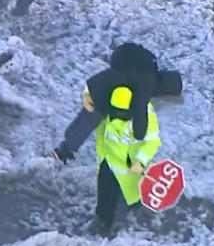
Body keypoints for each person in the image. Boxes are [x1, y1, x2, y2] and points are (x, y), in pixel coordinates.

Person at [53, 43, 181, 163]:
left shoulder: (145, 72)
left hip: (98, 84)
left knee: (85, 116)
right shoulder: (148, 81)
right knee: (89, 122)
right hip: (103, 94)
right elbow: (139, 107)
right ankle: (63, 151)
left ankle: (67, 141)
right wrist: (139, 134)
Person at [92, 85, 161, 237]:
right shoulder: (108, 112)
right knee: (105, 196)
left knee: (130, 197)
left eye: (122, 113)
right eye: (115, 112)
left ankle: (125, 220)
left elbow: (152, 142)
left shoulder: (145, 115)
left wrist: (140, 161)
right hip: (109, 162)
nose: (118, 115)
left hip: (131, 166)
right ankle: (102, 222)